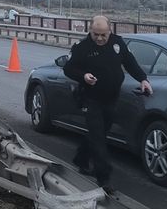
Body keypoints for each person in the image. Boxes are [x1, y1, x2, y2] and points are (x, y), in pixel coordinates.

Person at [62, 15, 153, 193]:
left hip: (111, 98)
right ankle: (103, 178)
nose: (100, 38)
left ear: (110, 31)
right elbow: (69, 68)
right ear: (90, 31)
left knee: (100, 134)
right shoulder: (83, 47)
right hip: (91, 99)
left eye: (103, 35)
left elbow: (130, 62)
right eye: (96, 34)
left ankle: (81, 159)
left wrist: (143, 79)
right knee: (98, 139)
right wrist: (83, 76)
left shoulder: (117, 44)